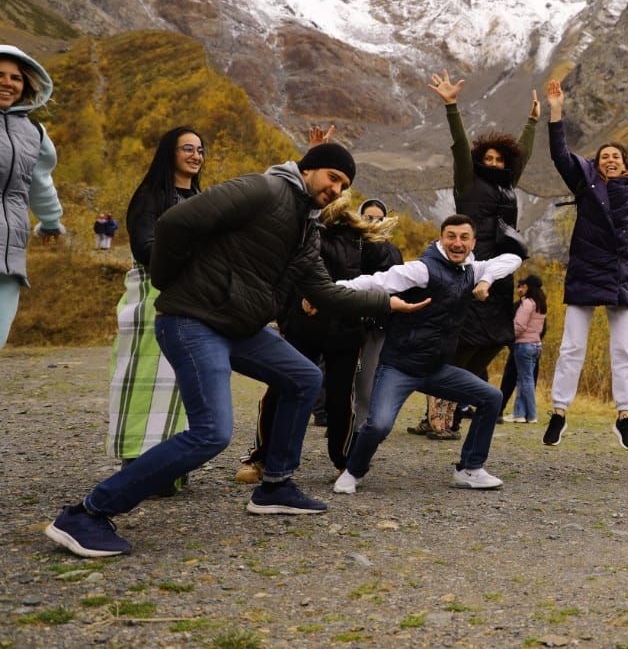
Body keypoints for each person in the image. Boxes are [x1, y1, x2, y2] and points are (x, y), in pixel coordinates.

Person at [44, 143, 428, 558]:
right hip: (192, 320)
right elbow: (174, 222)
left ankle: (276, 485)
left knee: (304, 378)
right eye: (333, 178)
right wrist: (171, 281)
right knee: (212, 432)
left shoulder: (304, 227)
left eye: (345, 185)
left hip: (237, 326)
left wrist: (385, 303)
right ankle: (86, 514)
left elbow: (322, 290)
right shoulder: (263, 190)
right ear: (310, 168)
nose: (337, 189)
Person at [333, 214, 523, 494]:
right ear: (441, 239)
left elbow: (513, 258)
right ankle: (354, 471)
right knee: (379, 425)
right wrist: (329, 292)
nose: (457, 243)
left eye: (464, 238)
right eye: (451, 237)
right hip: (399, 366)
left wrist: (486, 281)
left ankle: (469, 469)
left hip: (435, 369)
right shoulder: (422, 270)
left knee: (491, 398)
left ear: (473, 243)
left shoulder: (473, 270)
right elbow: (374, 283)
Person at [235, 193, 402, 483]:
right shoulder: (302, 228)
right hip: (303, 327)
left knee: (340, 399)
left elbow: (386, 269)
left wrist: (374, 233)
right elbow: (285, 272)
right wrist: (292, 309)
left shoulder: (360, 238)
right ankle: (260, 457)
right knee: (279, 389)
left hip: (346, 330)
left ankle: (344, 462)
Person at [543, 78, 628, 450]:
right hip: (586, 273)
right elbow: (559, 154)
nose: (610, 160)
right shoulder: (583, 183)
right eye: (604, 158)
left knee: (623, 351)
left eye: (616, 156)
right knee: (571, 348)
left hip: (620, 277)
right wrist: (556, 111)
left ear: (626, 162)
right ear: (597, 166)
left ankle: (624, 416)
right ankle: (559, 412)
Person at [407, 71, 538, 438]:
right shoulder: (469, 179)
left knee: (492, 339)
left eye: (500, 159)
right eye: (489, 158)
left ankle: (447, 407)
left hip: (499, 272)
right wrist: (451, 106)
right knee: (457, 341)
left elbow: (522, 157)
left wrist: (532, 121)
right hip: (466, 268)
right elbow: (461, 146)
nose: (494, 163)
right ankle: (438, 417)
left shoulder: (509, 187)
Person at [106, 127, 205, 485]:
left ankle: (170, 469)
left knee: (181, 383)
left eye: (200, 150)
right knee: (144, 379)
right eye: (187, 149)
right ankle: (138, 467)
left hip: (189, 299)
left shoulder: (200, 198)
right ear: (170, 154)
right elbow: (144, 248)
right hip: (151, 297)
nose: (196, 155)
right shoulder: (150, 195)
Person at [0, 45, 63, 347]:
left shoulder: (35, 133)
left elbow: (39, 183)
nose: (7, 82)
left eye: (15, 77)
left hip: (9, 253)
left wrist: (51, 222)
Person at [353, 199, 403, 431]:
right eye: (368, 217)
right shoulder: (353, 245)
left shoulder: (393, 250)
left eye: (379, 218)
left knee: (369, 377)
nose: (374, 222)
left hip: (381, 321)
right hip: (352, 317)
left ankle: (363, 427)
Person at [508, 274, 547, 423]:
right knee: (523, 379)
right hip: (536, 344)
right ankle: (519, 413)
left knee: (526, 380)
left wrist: (509, 336)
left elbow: (519, 325)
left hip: (524, 344)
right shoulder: (541, 304)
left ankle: (531, 415)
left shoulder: (527, 304)